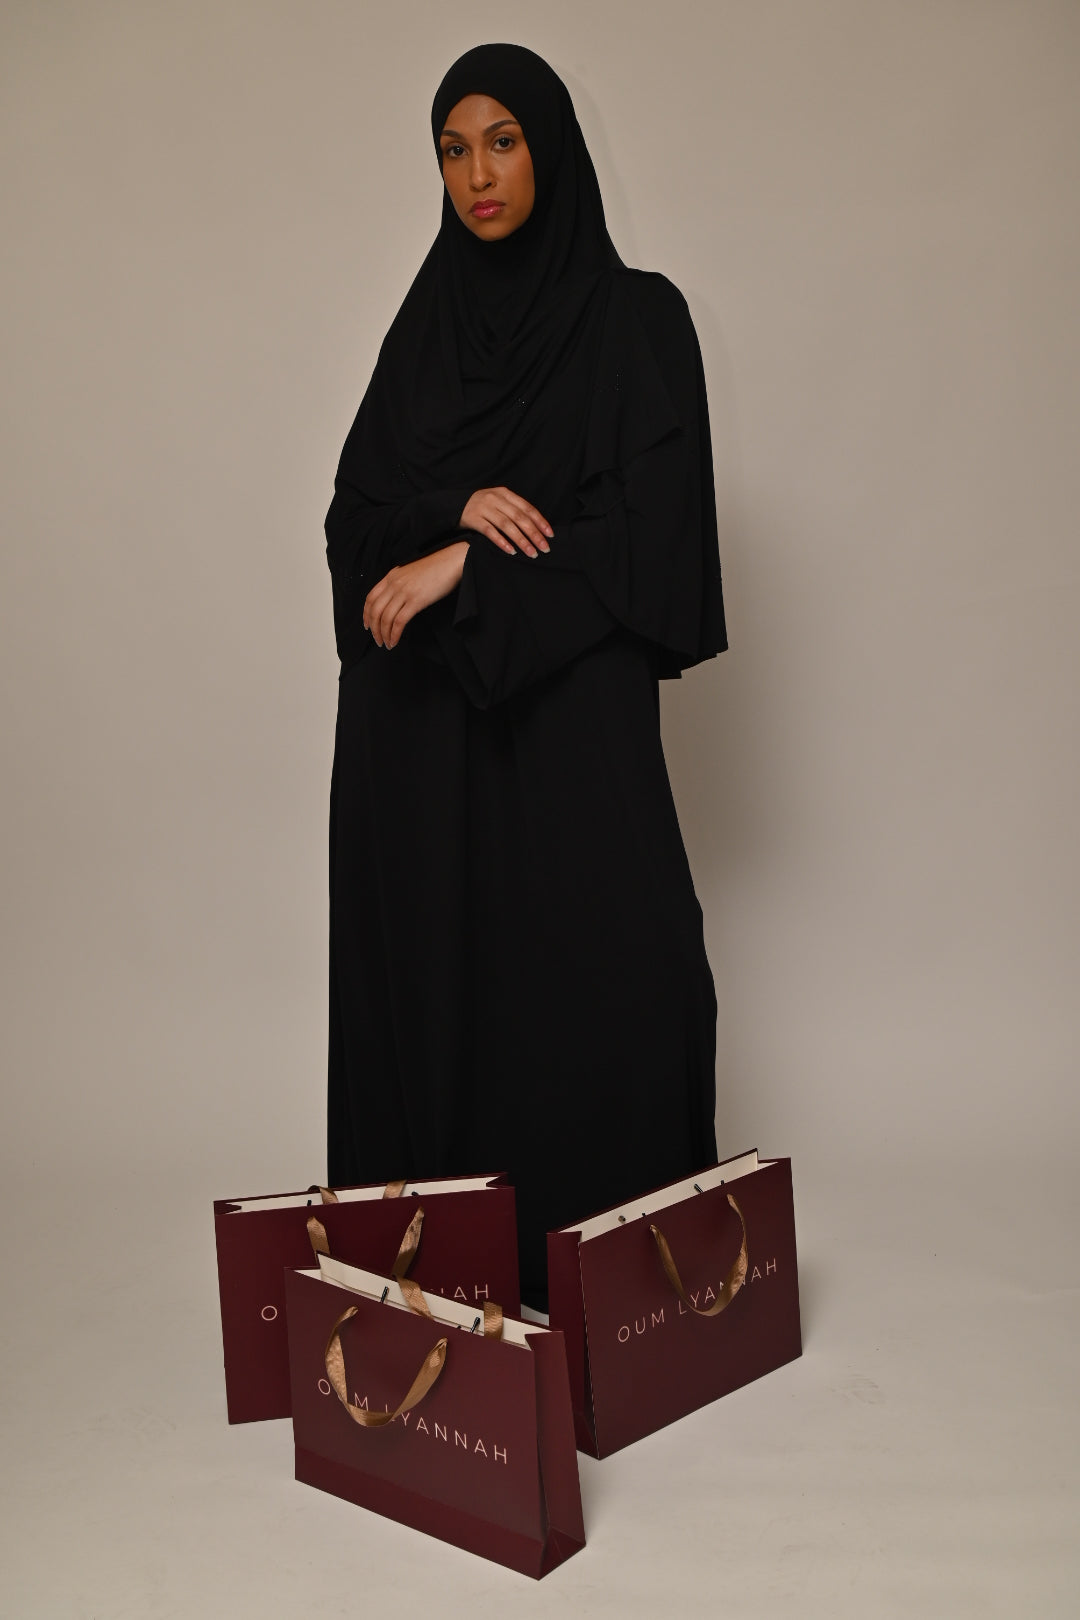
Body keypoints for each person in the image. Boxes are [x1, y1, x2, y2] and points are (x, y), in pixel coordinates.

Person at [324, 43, 726, 1309]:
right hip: (420, 742)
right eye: (453, 149)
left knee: (621, 973)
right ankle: (453, 1299)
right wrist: (449, 513)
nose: (477, 174)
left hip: (568, 734)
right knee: (444, 992)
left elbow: (656, 541)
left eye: (502, 140)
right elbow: (354, 525)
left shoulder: (636, 321)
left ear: (550, 147)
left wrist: (472, 570)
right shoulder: (426, 333)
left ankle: (623, 1298)